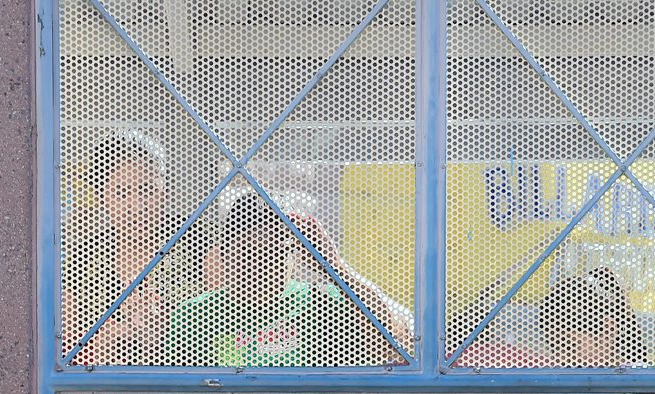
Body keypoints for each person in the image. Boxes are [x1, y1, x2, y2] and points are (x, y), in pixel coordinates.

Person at [170, 192, 409, 367]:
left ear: (295, 256)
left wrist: (335, 268)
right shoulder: (194, 316)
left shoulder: (321, 303)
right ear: (223, 255)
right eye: (245, 252)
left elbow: (395, 344)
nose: (258, 265)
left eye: (273, 251)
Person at [64, 128, 196, 365]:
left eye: (147, 190)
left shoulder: (193, 240)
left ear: (164, 191)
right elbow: (66, 343)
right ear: (103, 199)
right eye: (121, 193)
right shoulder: (84, 257)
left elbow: (224, 316)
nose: (136, 206)